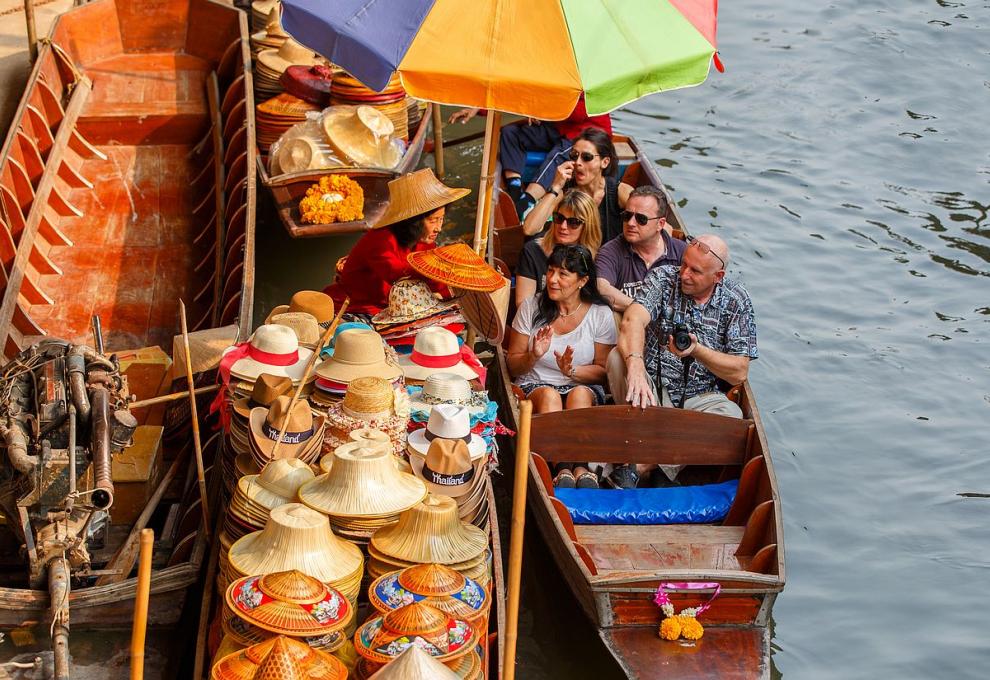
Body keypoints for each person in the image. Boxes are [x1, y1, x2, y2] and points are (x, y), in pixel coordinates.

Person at [608, 234, 758, 488]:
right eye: (684, 264)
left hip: (698, 399)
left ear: (717, 277)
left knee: (732, 416)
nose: (684, 274)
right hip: (651, 389)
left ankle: (646, 465)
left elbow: (739, 372)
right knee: (616, 359)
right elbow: (632, 319)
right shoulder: (663, 278)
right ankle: (665, 465)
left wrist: (697, 350)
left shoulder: (737, 301)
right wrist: (635, 366)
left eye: (695, 271)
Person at [507, 244, 617, 489]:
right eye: (550, 271)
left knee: (577, 394)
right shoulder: (531, 307)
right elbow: (513, 365)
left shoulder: (600, 314)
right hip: (535, 384)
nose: (552, 280)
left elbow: (603, 373)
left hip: (581, 386)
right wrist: (533, 356)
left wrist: (571, 372)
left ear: (582, 281)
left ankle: (580, 466)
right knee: (550, 396)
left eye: (563, 274)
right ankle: (562, 467)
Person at [324, 168, 467, 318]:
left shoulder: (423, 241)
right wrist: (445, 268)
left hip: (395, 306)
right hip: (357, 307)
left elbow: (434, 279)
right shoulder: (381, 240)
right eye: (432, 220)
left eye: (441, 219)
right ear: (414, 222)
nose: (438, 228)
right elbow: (402, 274)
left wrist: (458, 290)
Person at [449, 95, 612, 215]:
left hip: (585, 135)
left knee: (558, 156)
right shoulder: (552, 72)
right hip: (557, 127)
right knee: (510, 133)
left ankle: (526, 202)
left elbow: (577, 112)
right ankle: (514, 190)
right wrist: (478, 108)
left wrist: (540, 108)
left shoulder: (586, 77)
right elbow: (518, 93)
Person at [521, 127, 633, 244]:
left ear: (604, 162)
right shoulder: (564, 191)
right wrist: (555, 186)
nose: (578, 162)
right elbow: (529, 229)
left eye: (586, 157)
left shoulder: (620, 192)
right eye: (574, 156)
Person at [596, 185, 686, 312]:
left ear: (660, 224)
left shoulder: (682, 252)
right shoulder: (610, 251)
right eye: (627, 216)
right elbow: (601, 288)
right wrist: (644, 311)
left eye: (641, 219)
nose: (631, 223)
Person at [515, 190, 602, 307]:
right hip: (539, 320)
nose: (563, 226)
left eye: (574, 222)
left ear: (588, 226)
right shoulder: (533, 251)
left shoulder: (595, 258)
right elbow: (522, 305)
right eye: (559, 218)